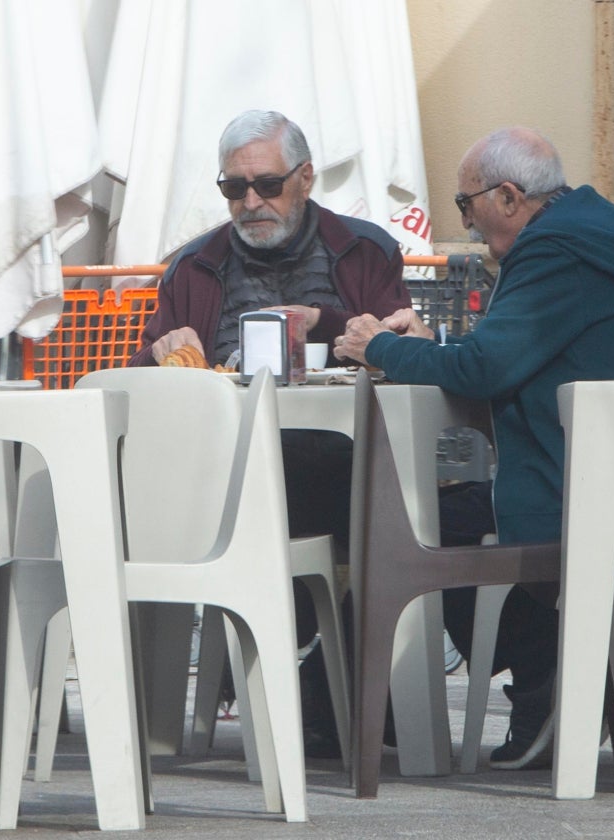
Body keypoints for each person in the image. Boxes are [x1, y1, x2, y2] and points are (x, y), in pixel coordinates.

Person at [335, 126, 614, 770]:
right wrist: (430, 346)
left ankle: (547, 681)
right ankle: (567, 673)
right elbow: (517, 354)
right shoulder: (599, 235)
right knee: (453, 515)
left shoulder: (553, 251)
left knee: (426, 525)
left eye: (465, 205)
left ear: (507, 197)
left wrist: (381, 348)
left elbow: (485, 370)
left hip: (594, 488)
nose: (468, 226)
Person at [128, 109, 414, 758]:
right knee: (269, 483)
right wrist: (163, 355)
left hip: (346, 464)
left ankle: (310, 683)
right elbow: (151, 375)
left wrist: (323, 320)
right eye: (234, 188)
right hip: (223, 475)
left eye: (266, 184)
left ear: (307, 178)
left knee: (335, 486)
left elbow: (395, 347)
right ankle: (308, 686)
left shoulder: (365, 251)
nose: (250, 202)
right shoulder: (192, 266)